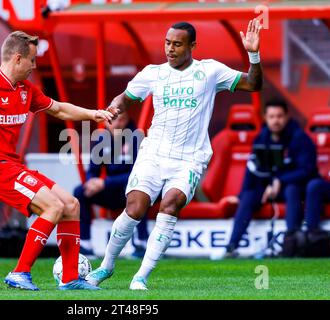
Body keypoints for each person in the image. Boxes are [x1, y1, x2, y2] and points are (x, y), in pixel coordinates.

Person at [85, 20, 264, 290]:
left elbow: (253, 84)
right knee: (134, 208)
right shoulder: (153, 73)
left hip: (190, 159)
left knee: (170, 204)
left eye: (177, 44)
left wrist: (253, 54)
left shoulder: (210, 71)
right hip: (154, 153)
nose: (170, 49)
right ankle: (106, 266)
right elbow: (126, 96)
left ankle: (140, 276)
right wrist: (116, 105)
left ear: (192, 46)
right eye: (168, 43)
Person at [0, 31, 113, 291]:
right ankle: (20, 272)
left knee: (71, 204)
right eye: (32, 61)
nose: (34, 67)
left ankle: (69, 279)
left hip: (13, 166)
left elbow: (59, 108)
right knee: (53, 207)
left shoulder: (25, 91)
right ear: (18, 58)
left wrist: (95, 114)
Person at [222, 99, 318, 258]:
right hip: (269, 188)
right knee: (249, 195)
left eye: (280, 116)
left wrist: (280, 180)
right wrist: (240, 196)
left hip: (296, 187)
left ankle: (291, 244)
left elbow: (307, 170)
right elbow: (252, 169)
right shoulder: (261, 137)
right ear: (265, 117)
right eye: (272, 116)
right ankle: (232, 247)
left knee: (292, 189)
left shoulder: (299, 137)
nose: (276, 120)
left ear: (287, 116)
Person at [73, 112, 148, 258]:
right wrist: (91, 182)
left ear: (126, 120)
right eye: (112, 120)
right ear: (106, 121)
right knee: (80, 191)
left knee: (140, 191)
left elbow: (137, 175)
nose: (116, 124)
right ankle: (85, 244)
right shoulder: (102, 139)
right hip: (111, 191)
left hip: (130, 189)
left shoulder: (137, 139)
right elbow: (93, 170)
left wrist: (104, 182)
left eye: (120, 120)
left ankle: (141, 242)